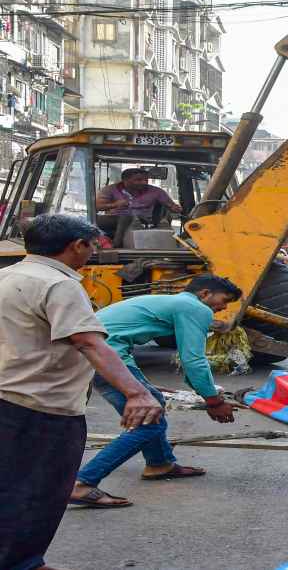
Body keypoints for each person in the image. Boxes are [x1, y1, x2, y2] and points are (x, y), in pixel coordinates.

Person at [0, 214, 163, 570]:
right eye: (91, 246)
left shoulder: (8, 276)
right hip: (42, 405)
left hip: (8, 398)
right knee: (41, 490)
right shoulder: (60, 285)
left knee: (12, 484)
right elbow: (88, 342)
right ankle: (22, 562)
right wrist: (136, 393)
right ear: (77, 246)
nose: (92, 253)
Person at [71, 274, 242, 508]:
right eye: (225, 300)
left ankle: (160, 463)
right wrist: (213, 400)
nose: (223, 307)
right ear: (204, 294)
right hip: (107, 355)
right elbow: (193, 359)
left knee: (152, 410)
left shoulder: (171, 302)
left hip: (91, 354)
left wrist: (205, 392)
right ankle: (83, 483)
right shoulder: (194, 307)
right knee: (151, 420)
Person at [96, 167, 182, 219]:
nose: (144, 182)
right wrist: (114, 205)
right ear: (125, 180)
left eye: (146, 180)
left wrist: (175, 208)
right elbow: (97, 207)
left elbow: (171, 206)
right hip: (114, 221)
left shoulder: (156, 191)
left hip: (144, 223)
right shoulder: (109, 190)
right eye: (138, 180)